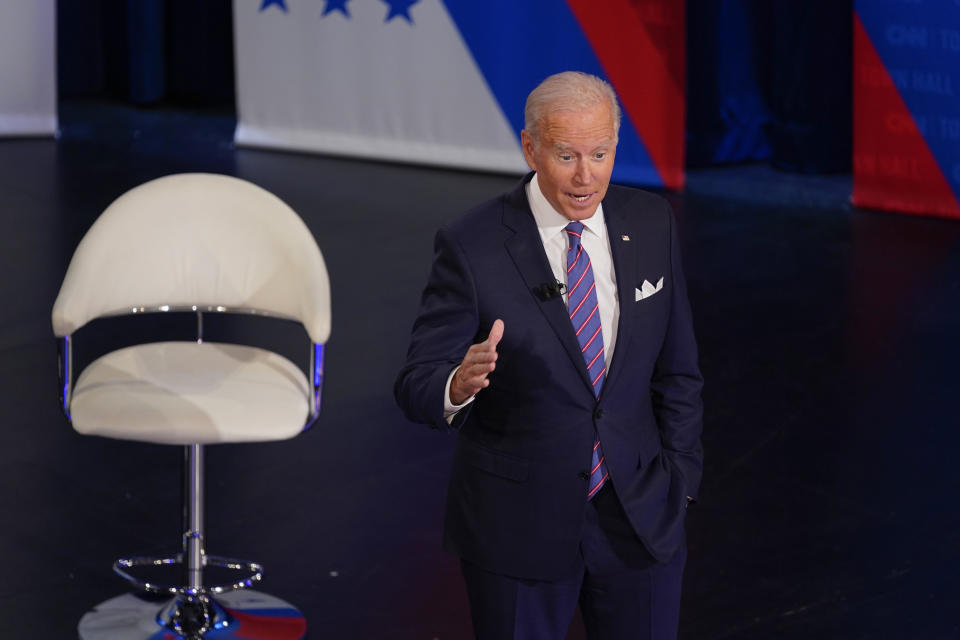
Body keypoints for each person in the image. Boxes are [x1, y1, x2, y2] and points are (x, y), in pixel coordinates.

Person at [394, 71, 703, 640]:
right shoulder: (473, 244)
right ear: (530, 147)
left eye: (600, 154)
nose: (586, 177)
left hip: (640, 516)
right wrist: (456, 384)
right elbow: (416, 381)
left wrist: (679, 479)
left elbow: (678, 370)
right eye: (566, 156)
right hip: (518, 529)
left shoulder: (650, 222)